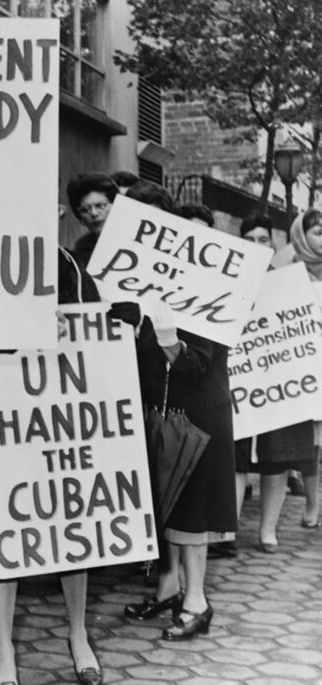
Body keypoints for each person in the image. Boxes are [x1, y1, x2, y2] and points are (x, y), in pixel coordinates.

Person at [0, 246, 103, 685]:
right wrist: (21, 332)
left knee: (70, 523)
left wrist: (113, 322)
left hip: (59, 415)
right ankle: (4, 648)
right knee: (3, 533)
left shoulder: (66, 265)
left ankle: (78, 634)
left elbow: (98, 335)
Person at [119, 204, 237, 640]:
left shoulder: (216, 299)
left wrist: (167, 336)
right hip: (164, 416)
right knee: (167, 505)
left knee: (192, 511)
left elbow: (195, 367)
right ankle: (169, 589)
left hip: (198, 422)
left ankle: (197, 601)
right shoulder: (157, 291)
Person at [221, 213, 318, 554]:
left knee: (278, 456)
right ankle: (228, 530)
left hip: (279, 382)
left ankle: (267, 530)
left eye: (263, 240)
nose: (257, 245)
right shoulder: (226, 278)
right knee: (236, 457)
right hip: (240, 381)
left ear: (273, 244)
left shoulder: (289, 280)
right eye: (250, 239)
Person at [290, 207, 322, 529]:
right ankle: (313, 504)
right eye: (318, 232)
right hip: (306, 368)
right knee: (312, 445)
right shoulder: (289, 271)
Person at [67, 172, 119, 268]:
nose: (94, 213)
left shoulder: (142, 232)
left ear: (117, 205)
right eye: (85, 209)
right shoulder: (82, 250)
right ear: (80, 219)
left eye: (102, 205)